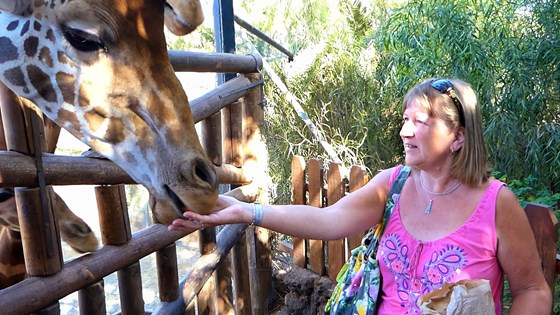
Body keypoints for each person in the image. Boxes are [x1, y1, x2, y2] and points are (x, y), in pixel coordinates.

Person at [169, 78, 552, 314]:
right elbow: (327, 220)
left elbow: (533, 291)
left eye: (420, 121)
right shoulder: (394, 184)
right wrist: (244, 212)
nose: (404, 131)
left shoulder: (496, 203)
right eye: (405, 119)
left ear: (459, 138)